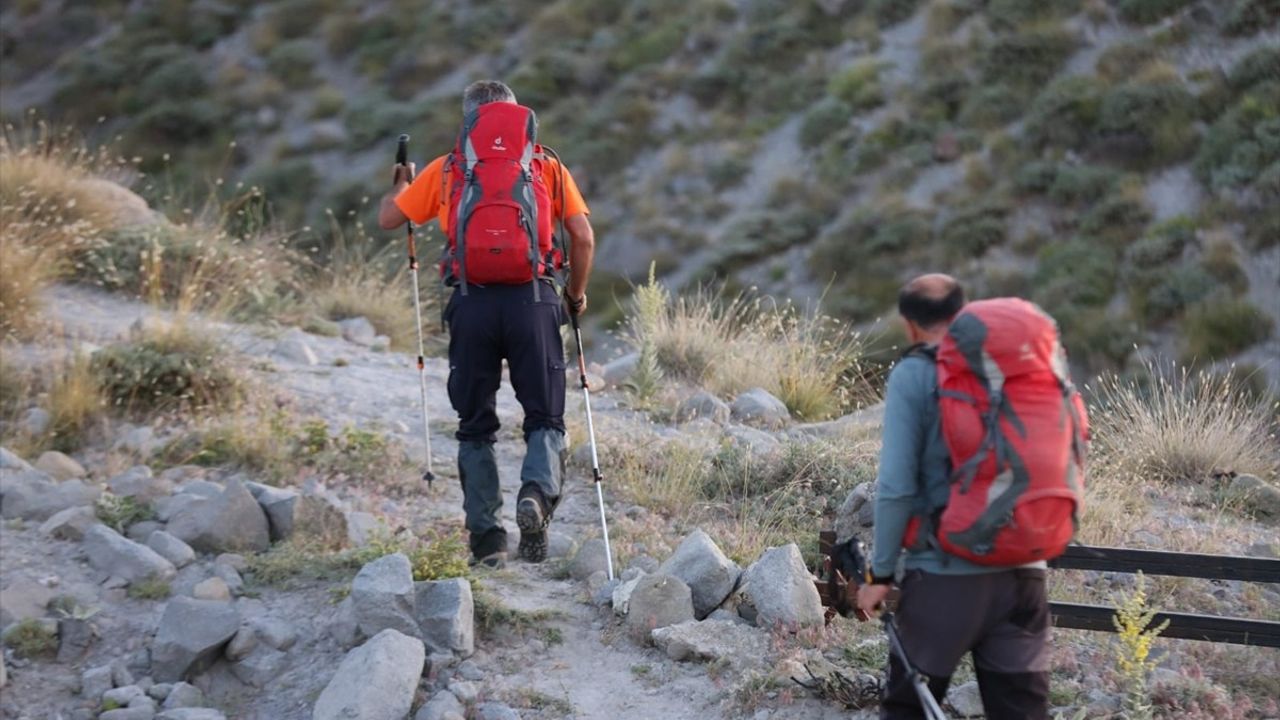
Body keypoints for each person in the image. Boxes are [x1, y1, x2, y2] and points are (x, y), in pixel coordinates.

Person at [378, 80, 596, 568]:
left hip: (472, 304)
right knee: (545, 416)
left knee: (475, 426)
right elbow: (582, 237)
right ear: (518, 119)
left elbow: (390, 219)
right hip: (534, 302)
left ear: (470, 121)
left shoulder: (448, 168)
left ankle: (487, 542)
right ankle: (536, 496)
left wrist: (400, 185)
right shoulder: (546, 166)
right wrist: (574, 296)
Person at [855, 274, 1051, 720]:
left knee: (908, 708)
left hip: (948, 577)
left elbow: (897, 487)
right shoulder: (1012, 368)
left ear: (909, 325)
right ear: (963, 313)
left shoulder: (915, 374)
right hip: (1026, 576)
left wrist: (880, 573)